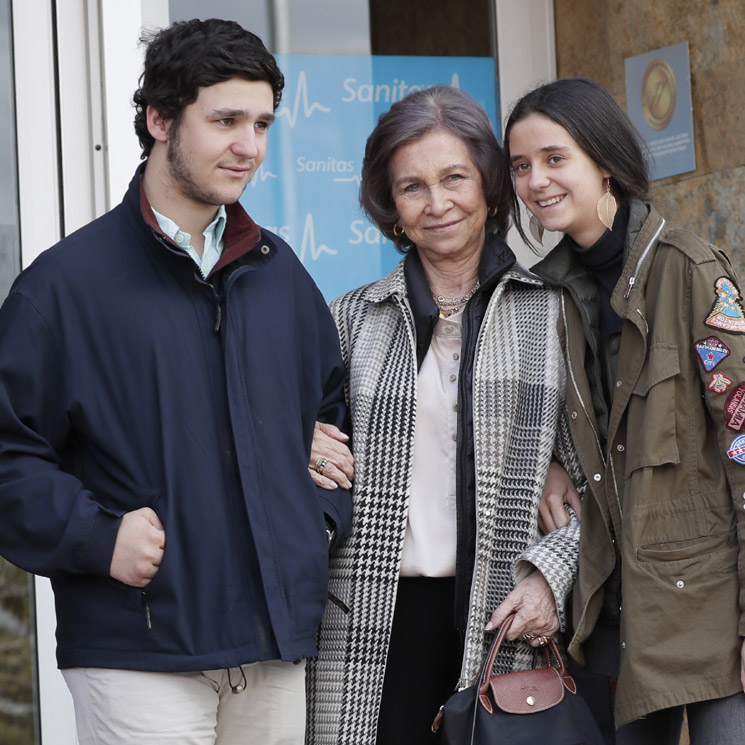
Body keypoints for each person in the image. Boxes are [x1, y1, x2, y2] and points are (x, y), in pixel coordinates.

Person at [0, 18, 352, 745]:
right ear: (160, 118)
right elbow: (10, 453)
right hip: (140, 649)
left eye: (260, 123)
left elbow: (329, 411)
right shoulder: (64, 288)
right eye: (225, 120)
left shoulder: (280, 275)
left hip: (273, 645)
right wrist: (97, 537)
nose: (249, 146)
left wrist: (311, 522)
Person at [306, 85, 585, 745]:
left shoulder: (554, 312)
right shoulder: (348, 318)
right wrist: (300, 442)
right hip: (369, 621)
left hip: (506, 616)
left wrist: (552, 572)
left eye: (454, 177)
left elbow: (604, 481)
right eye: (412, 187)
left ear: (488, 187)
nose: (437, 203)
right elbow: (292, 443)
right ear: (391, 207)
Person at [504, 76, 745, 745]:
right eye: (521, 166)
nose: (536, 181)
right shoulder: (543, 294)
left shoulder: (688, 268)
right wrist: (552, 459)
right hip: (609, 614)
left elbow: (742, 445)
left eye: (555, 158)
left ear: (603, 160)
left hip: (709, 613)